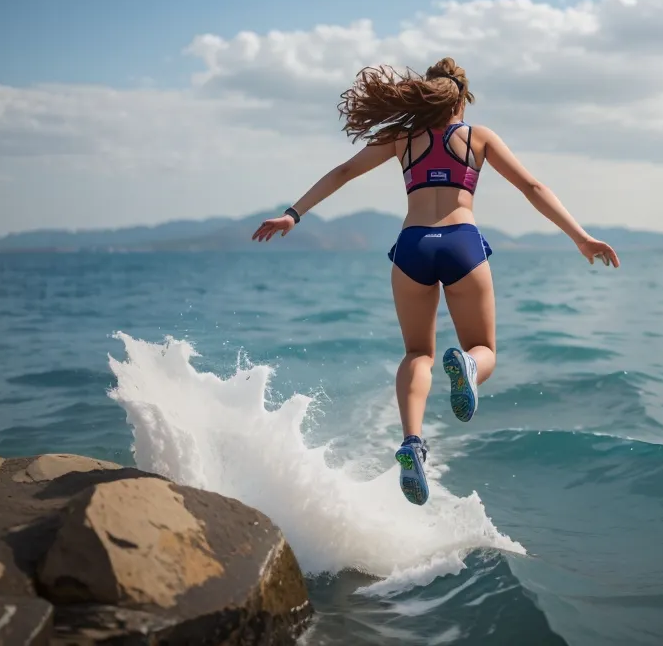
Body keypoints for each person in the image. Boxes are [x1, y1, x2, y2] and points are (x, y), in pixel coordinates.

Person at [252, 58, 620, 505]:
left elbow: (344, 171)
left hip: (413, 247)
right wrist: (580, 238)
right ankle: (467, 367)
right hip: (462, 243)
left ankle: (411, 442)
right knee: (483, 350)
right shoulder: (478, 137)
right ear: (461, 98)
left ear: (424, 98)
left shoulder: (402, 138)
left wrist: (293, 214)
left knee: (416, 353)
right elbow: (533, 187)